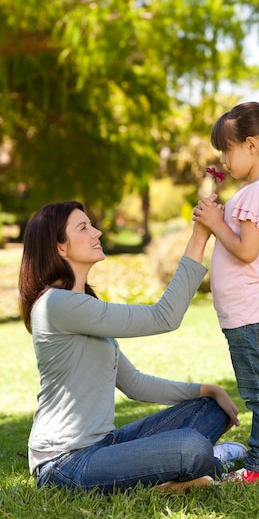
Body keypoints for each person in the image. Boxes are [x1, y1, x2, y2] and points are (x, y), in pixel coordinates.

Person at [19, 200, 247, 493]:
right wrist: (200, 236)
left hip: (105, 446)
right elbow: (164, 317)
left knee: (211, 408)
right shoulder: (57, 305)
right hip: (64, 463)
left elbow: (134, 384)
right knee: (189, 447)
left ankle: (175, 471)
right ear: (60, 247)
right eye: (84, 227)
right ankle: (203, 463)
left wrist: (207, 390)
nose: (97, 232)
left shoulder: (83, 307)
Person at [192, 101, 259, 484]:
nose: (224, 158)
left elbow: (247, 251)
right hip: (245, 314)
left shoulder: (258, 194)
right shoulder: (254, 193)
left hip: (251, 313)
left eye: (227, 150)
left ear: (252, 145)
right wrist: (219, 218)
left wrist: (216, 224)